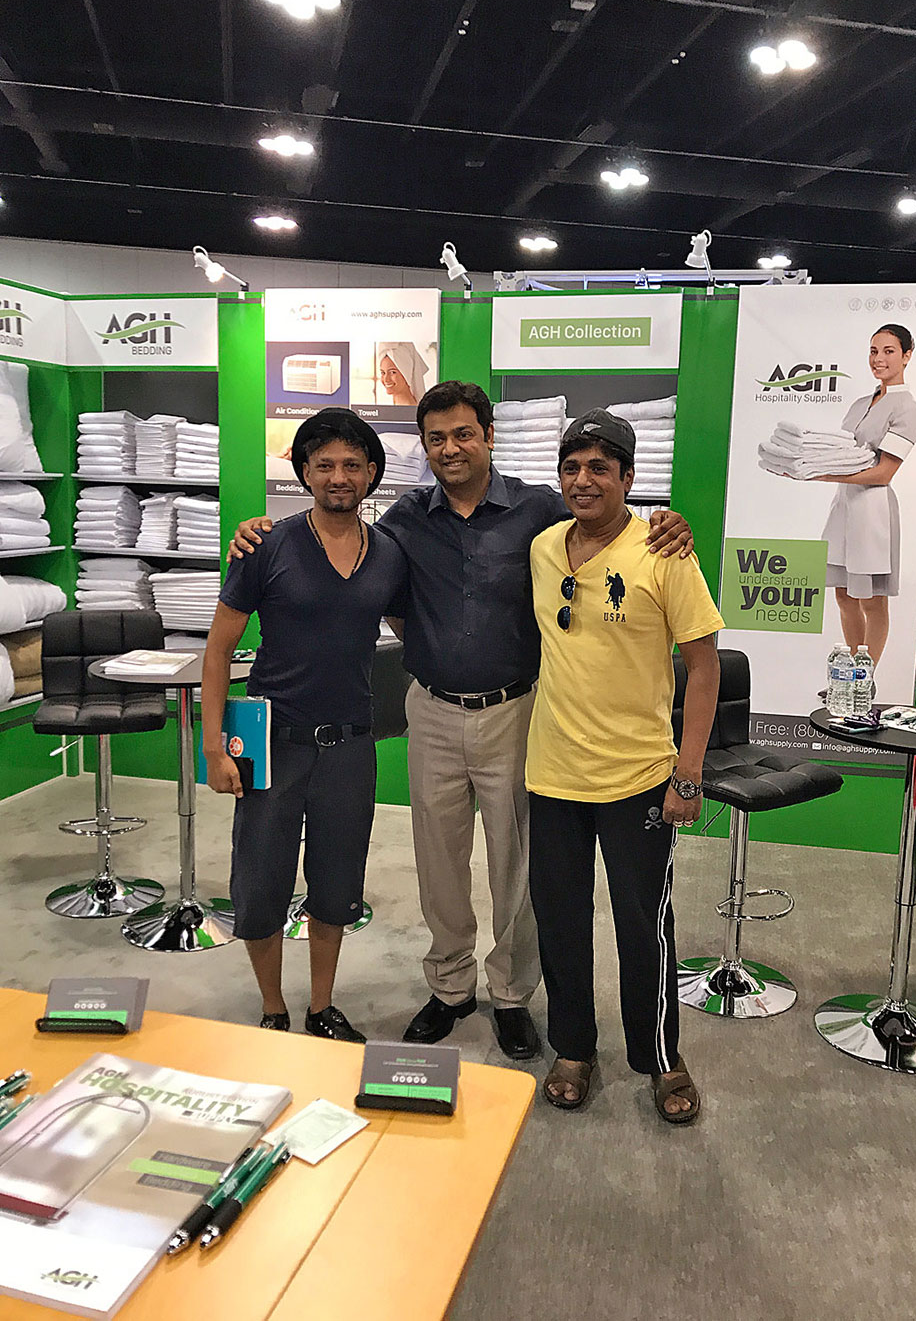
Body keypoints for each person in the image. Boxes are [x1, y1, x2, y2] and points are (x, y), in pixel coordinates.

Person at [227, 381, 692, 1061]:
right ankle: (449, 988)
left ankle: (511, 994)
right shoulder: (404, 520)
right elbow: (364, 573)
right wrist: (256, 529)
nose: (450, 447)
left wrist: (666, 521)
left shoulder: (538, 508)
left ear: (489, 436)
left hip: (516, 711)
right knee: (438, 862)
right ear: (424, 446)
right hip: (433, 710)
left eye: (464, 433)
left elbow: (604, 522)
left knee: (516, 864)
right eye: (436, 437)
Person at [526, 409, 722, 1122]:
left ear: (629, 478)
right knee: (560, 922)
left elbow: (704, 668)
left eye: (600, 468)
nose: (583, 480)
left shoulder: (665, 552)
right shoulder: (543, 547)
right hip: (552, 772)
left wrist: (688, 773)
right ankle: (573, 1047)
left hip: (638, 776)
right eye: (572, 467)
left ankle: (663, 1059)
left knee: (645, 927)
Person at [202, 408, 407, 1041]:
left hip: (350, 745)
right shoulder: (266, 546)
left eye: (352, 465)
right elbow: (218, 649)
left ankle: (321, 1006)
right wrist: (214, 747)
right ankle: (273, 1007)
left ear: (371, 473)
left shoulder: (388, 555)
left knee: (337, 882)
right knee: (260, 879)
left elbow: (413, 632)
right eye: (325, 465)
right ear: (304, 473)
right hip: (272, 742)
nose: (339, 476)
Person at [817, 325, 916, 666]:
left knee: (872, 600)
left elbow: (884, 472)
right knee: (844, 595)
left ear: (906, 355)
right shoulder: (861, 403)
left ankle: (866, 676)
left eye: (889, 351)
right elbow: (842, 451)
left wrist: (824, 474)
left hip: (873, 509)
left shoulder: (907, 409)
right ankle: (850, 669)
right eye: (874, 351)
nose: (879, 358)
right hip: (844, 505)